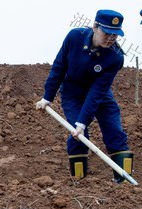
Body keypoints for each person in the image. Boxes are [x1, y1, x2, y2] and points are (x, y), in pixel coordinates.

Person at [35, 10, 133, 182]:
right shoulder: (75, 37)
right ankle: (79, 180)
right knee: (79, 137)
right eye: (107, 33)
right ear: (95, 27)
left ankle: (124, 181)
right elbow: (59, 67)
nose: (111, 39)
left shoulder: (115, 57)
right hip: (72, 94)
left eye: (115, 35)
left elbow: (97, 92)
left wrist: (83, 122)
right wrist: (47, 97)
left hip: (100, 95)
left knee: (114, 132)